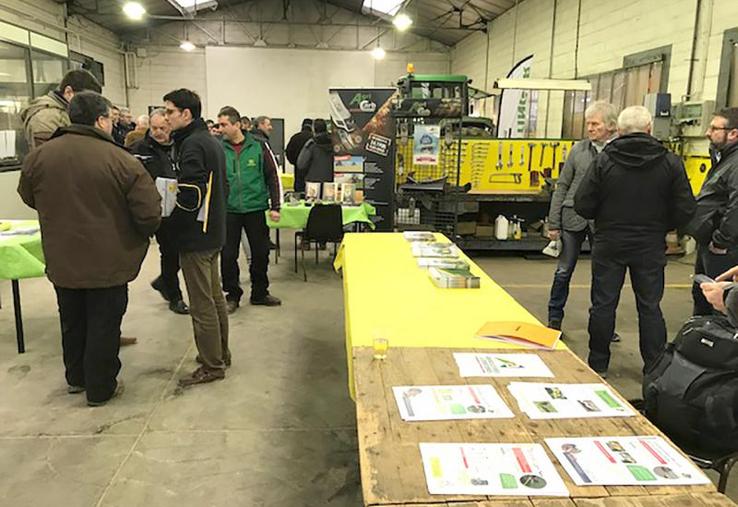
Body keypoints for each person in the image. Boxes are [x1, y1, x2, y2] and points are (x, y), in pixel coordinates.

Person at [17, 91, 161, 406]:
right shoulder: (121, 160)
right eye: (110, 118)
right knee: (103, 324)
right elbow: (149, 213)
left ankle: (76, 378)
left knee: (72, 320)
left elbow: (28, 195)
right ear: (100, 120)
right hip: (108, 260)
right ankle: (100, 388)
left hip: (63, 257)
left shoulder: (40, 156)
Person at [574, 105, 696, 377]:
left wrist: (604, 218)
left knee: (603, 304)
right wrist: (663, 226)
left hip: (610, 242)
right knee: (650, 306)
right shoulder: (670, 162)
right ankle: (654, 366)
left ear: (619, 131)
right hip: (650, 243)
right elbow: (686, 208)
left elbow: (582, 203)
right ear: (650, 129)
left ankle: (598, 363)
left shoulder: (604, 161)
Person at [164, 88, 231, 387]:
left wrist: (171, 226)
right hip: (213, 232)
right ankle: (220, 353)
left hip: (196, 237)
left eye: (170, 112)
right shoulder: (211, 141)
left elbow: (190, 196)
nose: (166, 118)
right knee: (214, 298)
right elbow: (221, 187)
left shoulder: (192, 144)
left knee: (202, 304)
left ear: (186, 114)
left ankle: (212, 364)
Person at [546, 101, 618, 332]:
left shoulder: (619, 151)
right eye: (588, 124)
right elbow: (563, 185)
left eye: (595, 124)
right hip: (573, 217)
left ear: (611, 125)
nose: (590, 128)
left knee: (604, 275)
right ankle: (554, 318)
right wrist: (554, 222)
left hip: (604, 221)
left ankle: (602, 324)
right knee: (563, 270)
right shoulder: (579, 150)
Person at [217, 106, 282, 313]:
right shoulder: (218, 148)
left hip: (255, 207)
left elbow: (273, 176)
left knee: (260, 253)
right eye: (219, 125)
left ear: (237, 125)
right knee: (228, 255)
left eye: (224, 125)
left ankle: (260, 293)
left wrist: (276, 206)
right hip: (229, 210)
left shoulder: (259, 146)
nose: (220, 129)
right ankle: (232, 295)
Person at [130, 109, 189, 315]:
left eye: (162, 128)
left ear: (170, 126)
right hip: (154, 209)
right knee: (169, 252)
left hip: (179, 206)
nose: (158, 132)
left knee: (179, 252)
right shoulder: (139, 149)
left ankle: (165, 281)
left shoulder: (182, 146)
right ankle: (175, 296)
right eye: (154, 128)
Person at [688, 108, 738, 315]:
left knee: (719, 302)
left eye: (714, 128)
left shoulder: (735, 163)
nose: (708, 133)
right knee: (703, 294)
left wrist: (721, 241)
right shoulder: (724, 159)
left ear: (733, 133)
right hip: (710, 243)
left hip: (724, 249)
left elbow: (736, 206)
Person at [20, 68, 102, 149]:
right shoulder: (46, 117)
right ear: (68, 92)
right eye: (85, 99)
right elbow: (51, 153)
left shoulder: (64, 113)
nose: (89, 105)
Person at [297, 118, 334, 191]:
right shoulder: (334, 143)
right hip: (330, 183)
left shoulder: (311, 145)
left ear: (313, 130)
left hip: (313, 184)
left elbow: (301, 164)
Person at [286, 118, 312, 193]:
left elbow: (288, 152)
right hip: (311, 170)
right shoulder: (313, 138)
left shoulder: (295, 137)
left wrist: (295, 162)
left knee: (299, 191)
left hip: (298, 170)